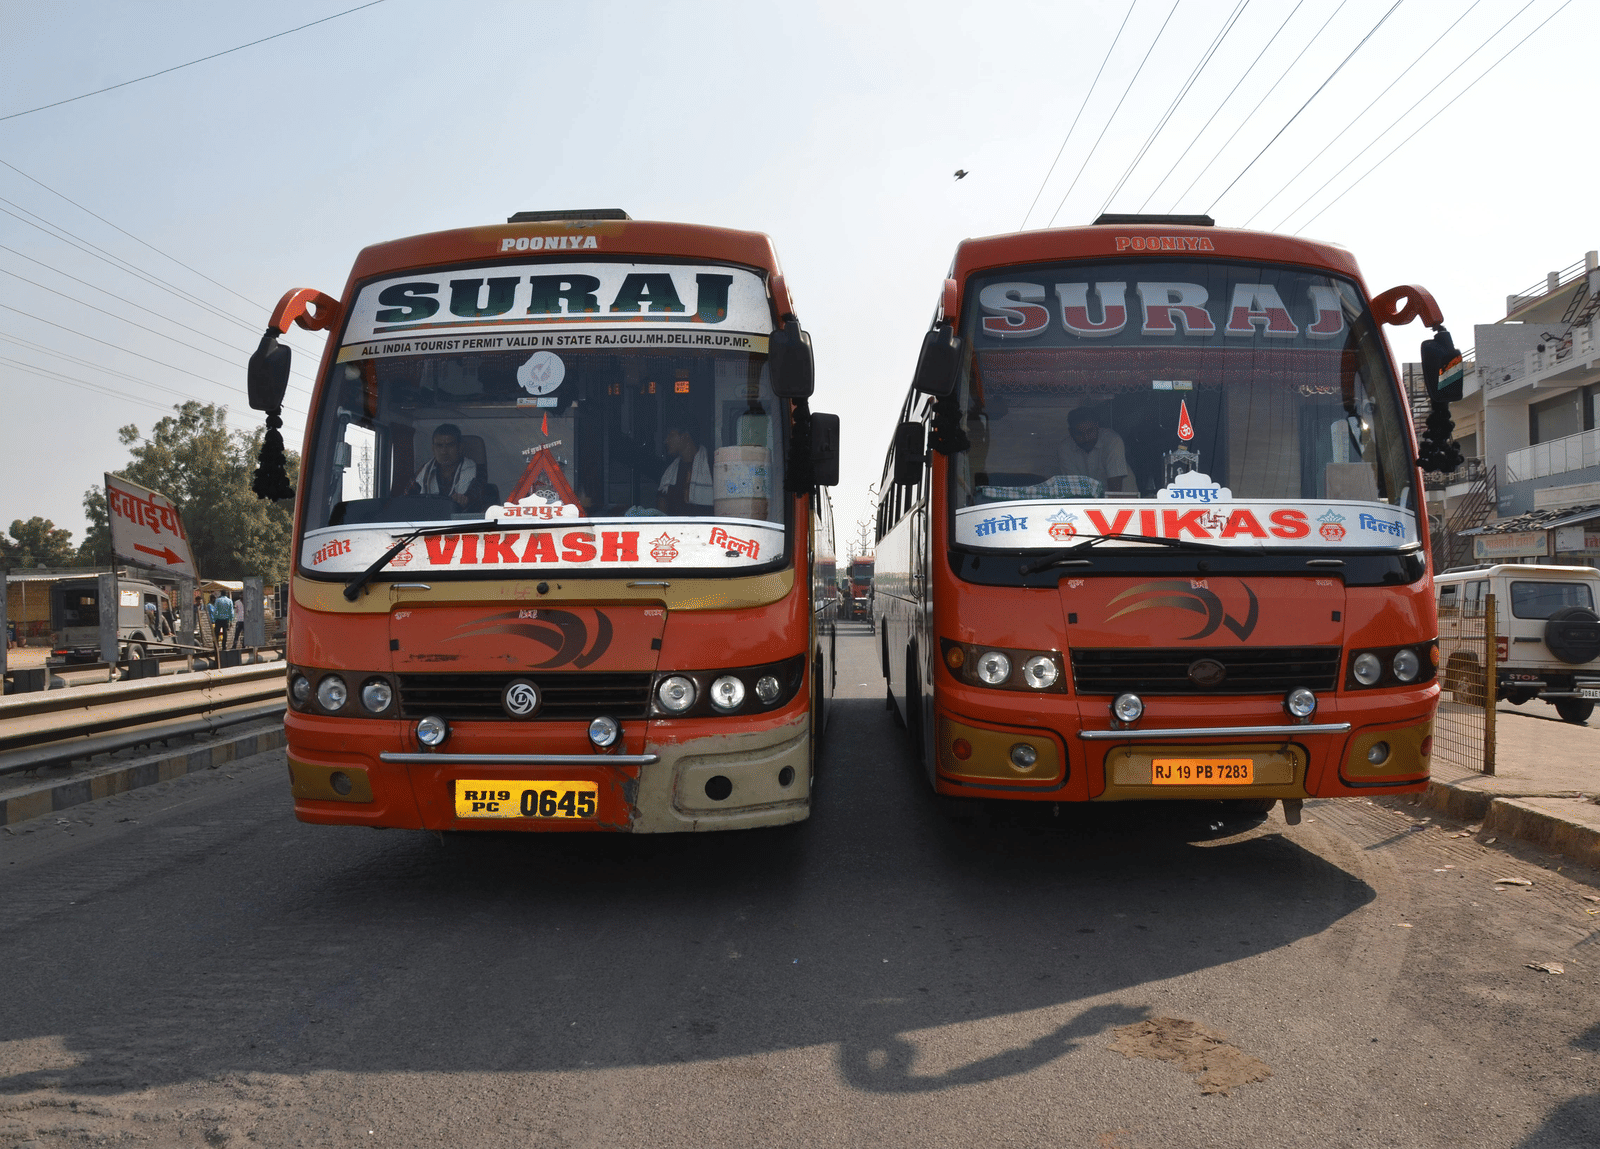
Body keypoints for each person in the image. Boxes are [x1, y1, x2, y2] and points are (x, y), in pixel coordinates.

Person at [406, 422, 483, 509]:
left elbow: (477, 497)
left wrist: (465, 500)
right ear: (433, 448)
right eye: (439, 446)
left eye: (450, 445)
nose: (444, 452)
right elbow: (407, 499)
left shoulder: (476, 470)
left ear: (460, 447)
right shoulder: (424, 470)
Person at [1057, 406, 1131, 493]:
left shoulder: (1112, 441)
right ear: (1071, 432)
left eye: (1090, 431)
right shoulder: (1065, 448)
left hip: (1124, 500)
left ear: (1097, 427)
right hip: (1089, 502)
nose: (1086, 438)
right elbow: (1076, 489)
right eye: (1079, 433)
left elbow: (1115, 490)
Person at [656, 422, 714, 516]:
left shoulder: (711, 465)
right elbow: (662, 505)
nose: (666, 441)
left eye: (671, 435)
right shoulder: (669, 471)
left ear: (685, 437)